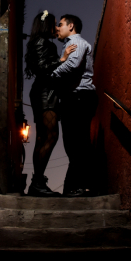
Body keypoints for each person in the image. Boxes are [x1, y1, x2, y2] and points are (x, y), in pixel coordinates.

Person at [24, 10, 77, 197]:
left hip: (46, 92)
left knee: (43, 139)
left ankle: (37, 183)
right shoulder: (41, 42)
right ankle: (37, 182)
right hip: (45, 93)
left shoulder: (43, 42)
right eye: (54, 24)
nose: (56, 28)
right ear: (46, 25)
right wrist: (62, 60)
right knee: (50, 136)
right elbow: (42, 68)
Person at [51, 14, 98, 198]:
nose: (57, 28)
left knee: (77, 144)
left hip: (79, 98)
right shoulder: (69, 45)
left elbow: (72, 66)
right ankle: (77, 186)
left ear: (71, 26)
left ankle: (83, 187)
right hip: (76, 98)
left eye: (60, 25)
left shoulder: (76, 43)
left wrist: (52, 74)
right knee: (74, 144)